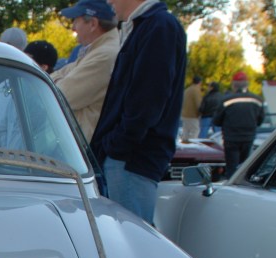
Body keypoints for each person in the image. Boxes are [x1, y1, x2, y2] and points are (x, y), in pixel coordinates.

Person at [89, 0, 186, 223]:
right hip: (126, 158)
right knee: (122, 237)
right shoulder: (146, 26)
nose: (109, 1)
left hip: (132, 161)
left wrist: (118, 145)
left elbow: (149, 97)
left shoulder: (159, 26)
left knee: (129, 239)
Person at [50, 0, 120, 142]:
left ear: (93, 24)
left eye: (76, 21)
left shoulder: (104, 55)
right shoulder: (97, 50)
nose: (73, 28)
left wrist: (56, 82)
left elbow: (60, 96)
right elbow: (54, 80)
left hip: (85, 146)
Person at [214, 71, 264, 177]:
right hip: (248, 138)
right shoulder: (257, 100)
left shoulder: (226, 100)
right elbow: (260, 120)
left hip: (231, 138)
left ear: (234, 85)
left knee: (231, 167)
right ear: (247, 84)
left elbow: (217, 121)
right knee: (244, 167)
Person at [181, 75, 203, 141]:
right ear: (200, 82)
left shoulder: (187, 90)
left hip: (184, 114)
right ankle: (192, 144)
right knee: (195, 131)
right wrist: (200, 113)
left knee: (186, 131)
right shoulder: (196, 90)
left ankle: (184, 143)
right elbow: (198, 104)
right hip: (193, 115)